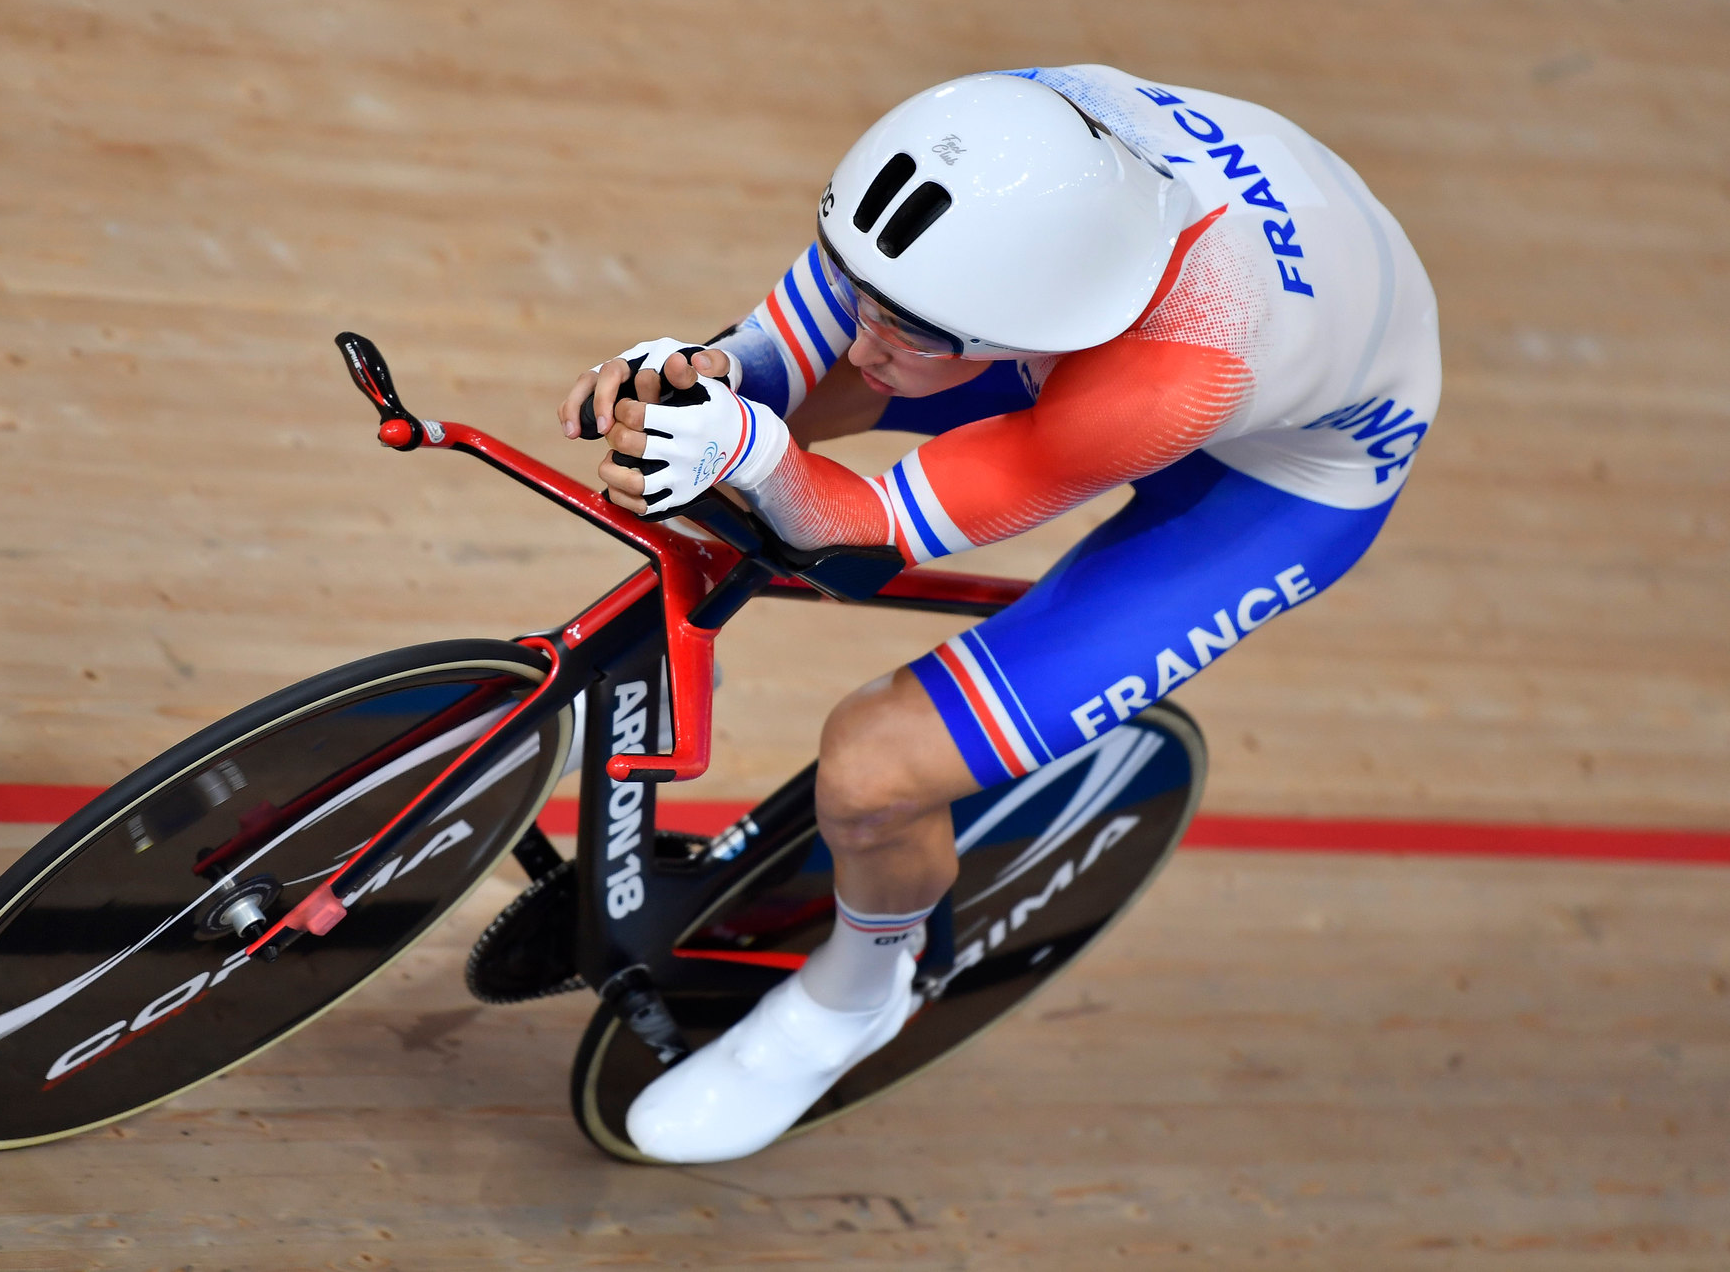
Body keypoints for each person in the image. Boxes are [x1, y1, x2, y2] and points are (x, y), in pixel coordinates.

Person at [557, 66, 1440, 1164]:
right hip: (1147, 306)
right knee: (737, 428)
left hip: (1281, 476)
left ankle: (855, 1000)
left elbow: (864, 523)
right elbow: (797, 338)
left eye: (904, 324)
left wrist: (750, 444)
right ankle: (681, 643)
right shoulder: (986, 139)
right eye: (863, 291)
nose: (865, 332)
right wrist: (706, 371)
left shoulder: (1179, 374)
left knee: (875, 773)